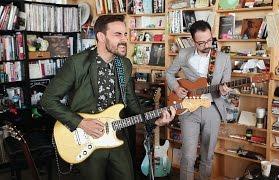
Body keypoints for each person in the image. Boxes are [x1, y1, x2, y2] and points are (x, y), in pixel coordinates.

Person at [41, 15, 176, 180]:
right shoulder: (77, 63)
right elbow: (48, 100)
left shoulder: (124, 64)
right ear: (101, 36)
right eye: (117, 34)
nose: (124, 39)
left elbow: (132, 103)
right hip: (88, 138)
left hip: (117, 136)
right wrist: (81, 123)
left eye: (125, 34)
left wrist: (154, 120)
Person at [166, 20, 231, 180]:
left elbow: (226, 89)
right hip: (188, 109)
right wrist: (176, 88)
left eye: (209, 40)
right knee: (188, 156)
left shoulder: (224, 59)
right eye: (201, 43)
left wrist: (224, 92)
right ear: (193, 41)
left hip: (212, 109)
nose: (207, 45)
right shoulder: (183, 54)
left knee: (207, 156)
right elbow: (169, 74)